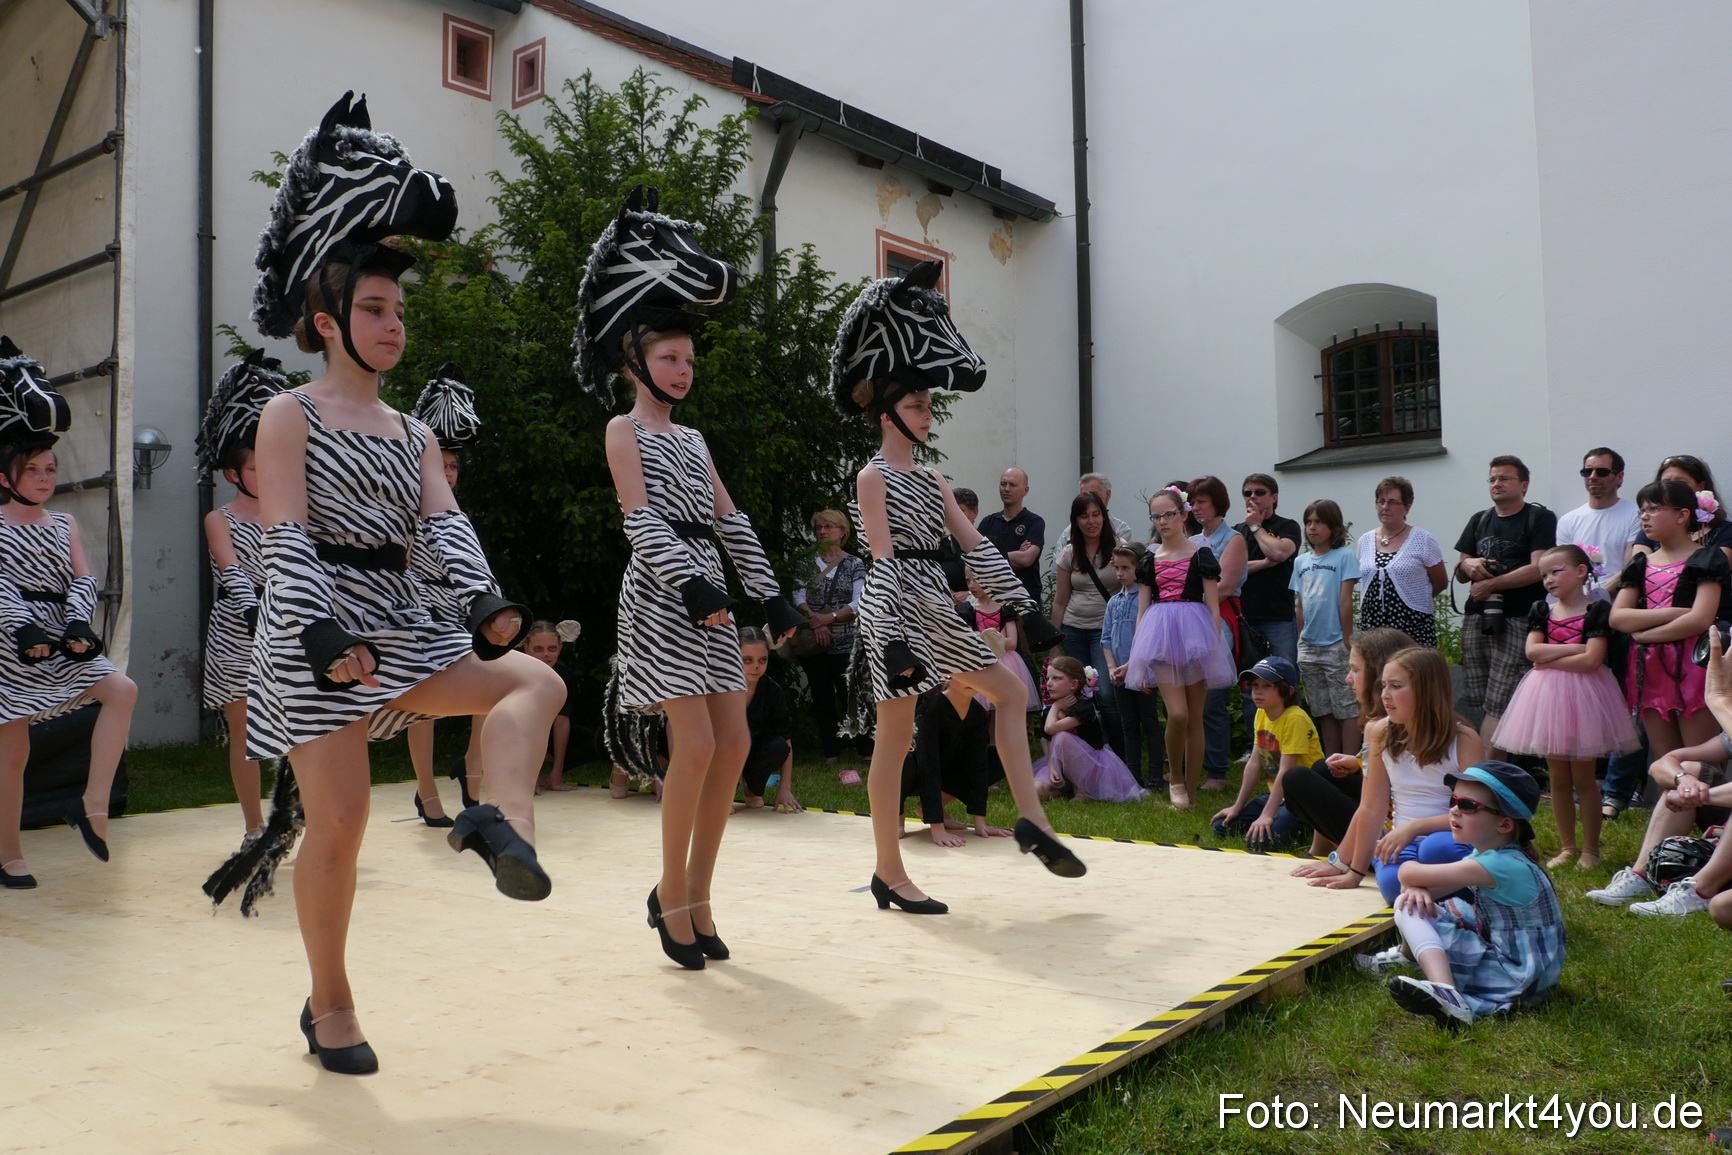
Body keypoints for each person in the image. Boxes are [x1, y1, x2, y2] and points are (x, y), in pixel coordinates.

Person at [216, 94, 562, 1073]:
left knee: (538, 680)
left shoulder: (413, 435)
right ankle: (329, 1006)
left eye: (399, 309)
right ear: (327, 319)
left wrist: (487, 602)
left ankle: (502, 824)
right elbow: (282, 535)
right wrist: (321, 635)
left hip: (402, 626)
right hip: (312, 635)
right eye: (374, 307)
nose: (392, 321)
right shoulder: (291, 417)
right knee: (345, 820)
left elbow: (446, 525)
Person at [579, 187, 803, 970]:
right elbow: (638, 521)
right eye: (670, 357)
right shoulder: (623, 428)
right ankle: (674, 897)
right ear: (636, 358)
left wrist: (767, 592)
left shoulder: (697, 439)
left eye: (689, 360)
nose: (683, 369)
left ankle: (696, 893)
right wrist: (692, 586)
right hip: (662, 595)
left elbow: (732, 519)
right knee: (697, 743)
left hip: (709, 586)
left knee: (734, 741)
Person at [830, 259, 1084, 915]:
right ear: (887, 414)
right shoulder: (871, 477)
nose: (928, 413)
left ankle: (1032, 819)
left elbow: (977, 547)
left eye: (928, 403)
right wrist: (889, 643)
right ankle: (889, 869)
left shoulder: (935, 478)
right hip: (897, 609)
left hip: (937, 604)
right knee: (896, 736)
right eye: (917, 404)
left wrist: (1027, 611)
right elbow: (882, 561)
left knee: (1009, 690)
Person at [0, 341, 137, 889]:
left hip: (62, 637)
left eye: (50, 468)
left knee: (120, 690)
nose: (44, 476)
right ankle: (9, 853)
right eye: (32, 469)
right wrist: (23, 628)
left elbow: (83, 578)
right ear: (5, 475)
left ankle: (92, 803)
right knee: (12, 750)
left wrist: (79, 622)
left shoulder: (64, 525)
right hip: (12, 643)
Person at [1361, 761, 1564, 1029]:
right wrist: (1416, 888)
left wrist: (1412, 884)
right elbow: (1418, 885)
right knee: (1416, 900)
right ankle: (1410, 958)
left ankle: (1447, 994)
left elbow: (1407, 873)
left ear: (1504, 824)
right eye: (1453, 801)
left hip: (1512, 976)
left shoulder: (1497, 865)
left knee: (1406, 904)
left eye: (1467, 806)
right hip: (1532, 975)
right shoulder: (1492, 855)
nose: (1454, 811)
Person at [1492, 546, 1639, 868]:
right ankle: (1568, 847)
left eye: (1556, 571)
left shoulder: (1597, 610)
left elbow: (1592, 660)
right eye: (1544, 574)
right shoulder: (1540, 611)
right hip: (1546, 698)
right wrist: (1573, 650)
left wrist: (1552, 656)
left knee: (1584, 778)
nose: (1548, 579)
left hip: (1586, 697)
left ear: (1582, 571)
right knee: (1557, 777)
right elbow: (1532, 653)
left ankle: (1591, 850)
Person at [195, 351, 289, 844]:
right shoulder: (220, 518)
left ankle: (290, 813)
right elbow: (231, 570)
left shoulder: (289, 514)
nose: (266, 474)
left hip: (284, 627)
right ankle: (254, 825)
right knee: (246, 730)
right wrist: (256, 609)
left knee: (297, 725)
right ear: (234, 473)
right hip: (237, 632)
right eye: (256, 467)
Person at [1309, 647, 1485, 902]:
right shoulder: (1381, 733)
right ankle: (1428, 889)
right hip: (1400, 842)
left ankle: (1429, 888)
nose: (1385, 696)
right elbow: (1371, 808)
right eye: (1383, 686)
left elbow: (1475, 810)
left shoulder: (1464, 739)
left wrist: (1416, 827)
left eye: (1396, 686)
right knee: (1392, 886)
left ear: (1426, 692)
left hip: (1451, 836)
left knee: (1437, 849)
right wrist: (1355, 872)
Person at [403, 364, 486, 823]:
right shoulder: (405, 510)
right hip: (419, 605)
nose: (450, 473)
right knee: (424, 706)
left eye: (455, 466)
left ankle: (472, 772)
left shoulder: (458, 514)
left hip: (460, 607)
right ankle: (426, 792)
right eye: (443, 465)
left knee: (489, 686)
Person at [1126, 486, 1235, 809]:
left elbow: (1213, 606)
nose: (1163, 521)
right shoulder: (1149, 559)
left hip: (1195, 637)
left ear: (1184, 514)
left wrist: (1211, 646)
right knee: (1177, 713)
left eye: (1169, 514)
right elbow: (1143, 611)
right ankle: (1175, 778)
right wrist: (1138, 656)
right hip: (1159, 637)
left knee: (1194, 718)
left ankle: (1190, 788)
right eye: (1156, 516)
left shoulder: (1201, 555)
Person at [1609, 478, 1728, 770]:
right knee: (1666, 760)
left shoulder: (1705, 558)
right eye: (1642, 511)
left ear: (1682, 515)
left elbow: (1700, 620)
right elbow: (1618, 617)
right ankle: (1674, 812)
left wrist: (1643, 635)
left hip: (1693, 665)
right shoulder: (1641, 563)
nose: (1645, 516)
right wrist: (1673, 613)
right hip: (1648, 668)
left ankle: (1708, 815)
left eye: (1654, 508)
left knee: (1700, 761)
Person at [1557, 448, 1649, 820]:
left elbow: (1632, 565)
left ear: (1619, 476)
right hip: (1581, 620)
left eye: (1602, 471)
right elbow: (1560, 567)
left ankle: (1621, 788)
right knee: (1585, 700)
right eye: (1587, 470)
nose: (1593, 476)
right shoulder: (1569, 520)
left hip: (1619, 617)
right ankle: (1586, 783)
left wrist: (1599, 594)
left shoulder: (1631, 513)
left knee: (1626, 702)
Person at [1285, 627, 1419, 872]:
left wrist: (1343, 863)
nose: (1348, 678)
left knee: (1296, 778)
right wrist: (1358, 764)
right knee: (1323, 769)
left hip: (1393, 832)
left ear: (1378, 674)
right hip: (1396, 819)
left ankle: (1349, 854)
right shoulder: (1388, 721)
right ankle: (1320, 849)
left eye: (1356, 670)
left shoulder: (1381, 726)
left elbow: (1374, 804)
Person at [1454, 455, 1558, 756]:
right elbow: (1460, 571)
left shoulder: (1539, 518)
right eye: (1492, 479)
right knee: (1481, 697)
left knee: (1501, 700)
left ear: (1523, 485)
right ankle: (1485, 771)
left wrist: (1492, 584)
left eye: (1504, 478)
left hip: (1517, 619)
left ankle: (1482, 778)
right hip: (1478, 617)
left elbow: (1539, 567)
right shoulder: (1480, 519)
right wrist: (1470, 564)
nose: (1496, 483)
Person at [1210, 657, 1321, 850]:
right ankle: (1273, 818)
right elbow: (1254, 763)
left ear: (1288, 691)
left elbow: (1285, 771)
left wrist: (1266, 815)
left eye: (1267, 686)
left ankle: (1311, 827)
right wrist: (1237, 807)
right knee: (1221, 827)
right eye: (1254, 685)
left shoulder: (1295, 719)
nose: (1257, 691)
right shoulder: (1262, 713)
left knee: (1263, 843)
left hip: (1303, 800)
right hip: (1279, 797)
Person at [793, 509, 870, 779]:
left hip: (846, 639)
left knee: (852, 695)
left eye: (828, 527)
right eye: (819, 527)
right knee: (821, 696)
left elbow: (859, 601)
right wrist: (815, 619)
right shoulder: (805, 562)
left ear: (842, 532)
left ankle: (865, 749)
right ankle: (830, 752)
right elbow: (797, 595)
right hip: (814, 640)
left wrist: (831, 617)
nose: (823, 531)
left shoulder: (854, 564)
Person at [1187, 475, 1248, 791]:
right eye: (1193, 502)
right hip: (1191, 624)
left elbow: (1223, 587)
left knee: (1212, 700)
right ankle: (1192, 767)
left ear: (1217, 503)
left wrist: (1183, 598)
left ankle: (1217, 772)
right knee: (1190, 700)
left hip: (1217, 624)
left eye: (1202, 501)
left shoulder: (1234, 539)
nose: (1196, 507)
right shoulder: (1194, 540)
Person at [1051, 490, 1124, 754]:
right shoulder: (1069, 553)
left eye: (1096, 515)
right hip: (1073, 630)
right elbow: (1060, 601)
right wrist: (1054, 645)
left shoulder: (1118, 547)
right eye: (1084, 516)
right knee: (1079, 697)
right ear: (1075, 520)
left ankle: (1118, 755)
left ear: (1104, 516)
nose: (1091, 521)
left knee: (1105, 694)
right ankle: (1086, 754)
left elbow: (1131, 589)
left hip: (1104, 633)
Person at [899, 677, 1008, 846]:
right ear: (947, 677)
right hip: (914, 772)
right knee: (903, 761)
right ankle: (897, 817)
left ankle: (932, 806)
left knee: (1001, 756)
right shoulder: (932, 709)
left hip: (947, 771)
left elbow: (978, 765)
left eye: (975, 673)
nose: (970, 679)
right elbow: (928, 764)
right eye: (963, 672)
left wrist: (980, 824)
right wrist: (938, 829)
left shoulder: (978, 714)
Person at [1291, 498, 1361, 758]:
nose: (1312, 527)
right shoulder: (1301, 562)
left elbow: (1345, 599)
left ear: (1334, 526)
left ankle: (1350, 761)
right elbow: (1300, 605)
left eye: (1319, 522)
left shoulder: (1343, 556)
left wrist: (1347, 638)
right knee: (1323, 709)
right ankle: (1331, 762)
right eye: (1308, 522)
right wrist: (1300, 639)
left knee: (1347, 707)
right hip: (1309, 646)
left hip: (1336, 643)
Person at [1030, 656, 1147, 802]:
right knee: (1036, 790)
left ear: (1073, 684)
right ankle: (1063, 788)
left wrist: (1056, 706)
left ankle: (1082, 790)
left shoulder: (1084, 708)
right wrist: (1052, 766)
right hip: (1061, 764)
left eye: (1056, 679)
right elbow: (1046, 740)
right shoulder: (1050, 712)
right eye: (1048, 678)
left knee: (1062, 736)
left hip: (1092, 766)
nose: (1048, 684)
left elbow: (1050, 729)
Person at [1355, 476, 1446, 647]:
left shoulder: (1423, 539)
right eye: (1381, 501)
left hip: (1411, 626)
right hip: (1373, 627)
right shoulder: (1364, 541)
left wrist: (1415, 598)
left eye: (1392, 502)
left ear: (1407, 507)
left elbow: (1440, 582)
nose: (1385, 507)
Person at [1102, 543, 1163, 788]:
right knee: (1128, 724)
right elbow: (1105, 638)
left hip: (1143, 673)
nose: (1120, 573)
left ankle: (1156, 777)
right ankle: (1132, 777)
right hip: (1119, 674)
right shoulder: (1114, 601)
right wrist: (1110, 668)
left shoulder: (1147, 599)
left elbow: (1147, 638)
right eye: (1117, 567)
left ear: (1140, 568)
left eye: (1126, 568)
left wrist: (1129, 665)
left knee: (1149, 722)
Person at [1235, 472, 1302, 666]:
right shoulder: (1237, 531)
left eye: (1259, 492)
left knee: (1284, 676)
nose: (1252, 496)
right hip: (1245, 618)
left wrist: (1256, 527)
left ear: (1274, 497)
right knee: (1250, 679)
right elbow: (1232, 568)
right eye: (1247, 493)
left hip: (1278, 617)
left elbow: (1280, 554)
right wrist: (1265, 563)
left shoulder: (1287, 526)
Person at [734, 627, 801, 813]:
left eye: (762, 660)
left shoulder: (773, 691)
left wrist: (785, 789)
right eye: (747, 660)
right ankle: (720, 789)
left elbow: (786, 740)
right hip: (721, 754)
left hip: (752, 750)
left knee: (778, 747)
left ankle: (751, 788)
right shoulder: (722, 690)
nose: (756, 666)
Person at [520, 619, 587, 793]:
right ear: (526, 648)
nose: (546, 655)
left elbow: (562, 722)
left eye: (552, 649)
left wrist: (557, 774)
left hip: (548, 734)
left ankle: (552, 776)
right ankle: (526, 774)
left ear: (560, 647)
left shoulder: (562, 674)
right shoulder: (516, 674)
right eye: (538, 649)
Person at [1634, 454, 1732, 563]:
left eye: (1680, 483)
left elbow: (1719, 568)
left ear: (1701, 486)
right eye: (1666, 482)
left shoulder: (1725, 530)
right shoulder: (1653, 529)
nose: (1673, 489)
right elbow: (1637, 569)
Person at [977, 466, 1045, 607]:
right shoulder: (988, 522)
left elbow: (1025, 560)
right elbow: (977, 561)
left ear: (1025, 490)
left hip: (1025, 601)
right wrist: (1015, 554)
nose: (1006, 489)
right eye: (1003, 484)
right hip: (992, 603)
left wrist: (990, 557)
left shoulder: (1034, 522)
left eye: (1012, 485)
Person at [1079, 471, 1133, 542]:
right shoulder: (1068, 532)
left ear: (1107, 495)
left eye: (1093, 495)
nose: (1089, 500)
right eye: (1085, 495)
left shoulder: (1121, 530)